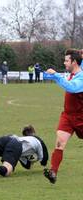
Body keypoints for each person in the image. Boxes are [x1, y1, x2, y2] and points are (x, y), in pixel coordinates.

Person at [43, 49, 83, 184]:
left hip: (81, 118)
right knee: (60, 143)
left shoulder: (81, 77)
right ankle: (53, 171)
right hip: (67, 116)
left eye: (66, 60)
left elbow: (72, 88)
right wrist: (54, 76)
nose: (64, 62)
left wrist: (56, 76)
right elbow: (65, 84)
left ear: (74, 62)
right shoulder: (72, 74)